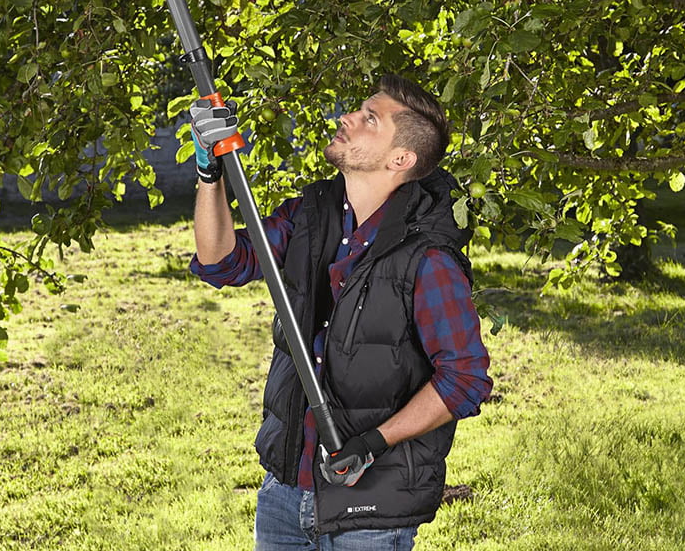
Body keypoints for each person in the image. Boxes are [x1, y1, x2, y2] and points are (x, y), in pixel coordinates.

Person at [190, 73, 492, 550]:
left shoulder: (427, 258)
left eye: (370, 118)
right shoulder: (311, 216)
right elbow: (222, 262)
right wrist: (212, 177)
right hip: (285, 490)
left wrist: (376, 442)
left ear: (401, 158)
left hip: (371, 510)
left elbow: (465, 378)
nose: (347, 118)